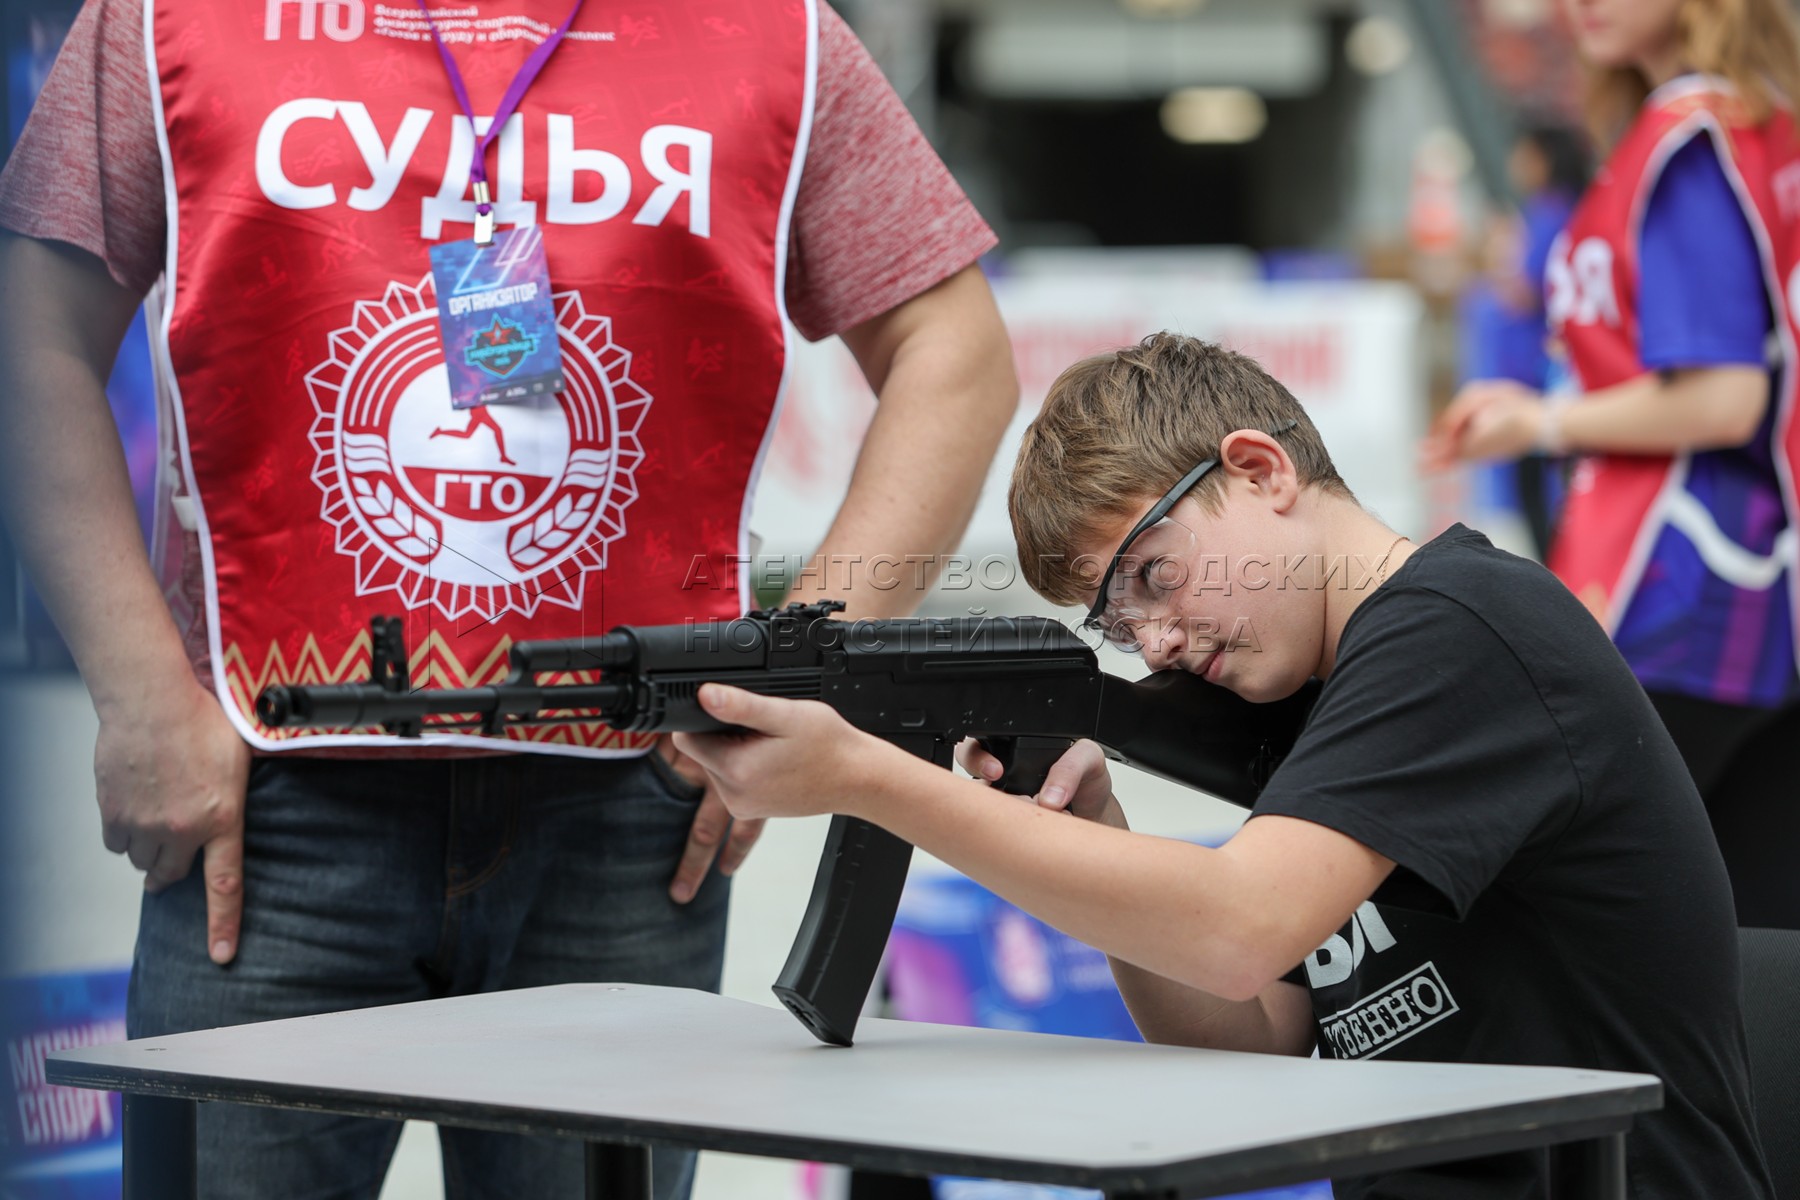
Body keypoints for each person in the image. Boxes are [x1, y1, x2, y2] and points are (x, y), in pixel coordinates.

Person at [0, 2, 1017, 1196]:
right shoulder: (168, 19)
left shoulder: (772, 34)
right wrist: (139, 697)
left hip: (625, 813)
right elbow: (32, 335)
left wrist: (788, 671)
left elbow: (957, 355)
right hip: (267, 797)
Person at [673, 335, 1773, 1199]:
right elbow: (1254, 1034)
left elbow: (1238, 929)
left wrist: (868, 779)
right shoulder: (1319, 688)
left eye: (1153, 575)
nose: (1152, 643)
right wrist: (1094, 833)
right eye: (1116, 622)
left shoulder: (1459, 629)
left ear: (1259, 469)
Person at [1421, 0, 1800, 931]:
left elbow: (1725, 395)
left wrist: (1539, 421)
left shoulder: (1688, 140)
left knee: (1552, 908)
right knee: (1755, 929)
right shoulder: (1756, 124)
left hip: (1682, 578)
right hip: (1750, 579)